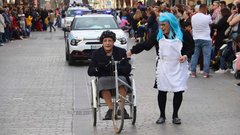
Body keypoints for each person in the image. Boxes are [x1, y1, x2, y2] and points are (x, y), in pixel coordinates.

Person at [127, 12, 194, 124]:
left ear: (171, 24)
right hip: (163, 66)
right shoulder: (158, 35)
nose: (161, 27)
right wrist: (132, 51)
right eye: (160, 25)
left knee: (178, 91)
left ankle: (175, 115)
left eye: (164, 24)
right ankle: (162, 115)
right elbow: (146, 45)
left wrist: (186, 55)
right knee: (162, 91)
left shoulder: (183, 34)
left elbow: (191, 47)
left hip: (178, 65)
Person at [88, 30, 131, 120]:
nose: (107, 43)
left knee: (122, 80)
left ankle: (121, 108)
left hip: (119, 77)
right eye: (105, 41)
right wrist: (98, 68)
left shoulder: (121, 52)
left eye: (110, 41)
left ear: (113, 41)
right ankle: (111, 109)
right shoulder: (96, 54)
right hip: (104, 78)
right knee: (102, 82)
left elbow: (127, 68)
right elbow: (90, 71)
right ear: (102, 42)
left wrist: (119, 68)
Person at [191, 4, 212, 78]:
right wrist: (207, 14)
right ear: (205, 9)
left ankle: (193, 72)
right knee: (206, 56)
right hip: (206, 38)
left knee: (195, 55)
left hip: (196, 38)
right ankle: (206, 73)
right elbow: (211, 23)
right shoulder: (207, 17)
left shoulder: (193, 17)